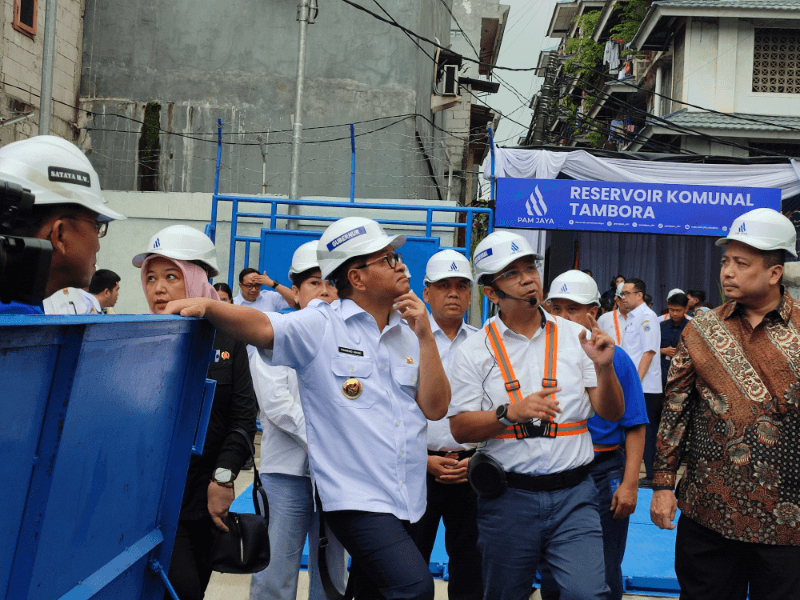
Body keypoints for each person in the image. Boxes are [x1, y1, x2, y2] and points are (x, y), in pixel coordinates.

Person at [164, 217, 451, 600]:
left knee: (370, 591)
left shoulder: (410, 331)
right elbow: (264, 327)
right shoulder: (323, 324)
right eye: (388, 259)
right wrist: (210, 306)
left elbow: (435, 407)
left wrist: (426, 336)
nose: (402, 266)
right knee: (414, 587)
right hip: (358, 497)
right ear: (357, 277)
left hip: (408, 495)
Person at [446, 231, 625, 600]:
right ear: (491, 292)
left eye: (530, 268)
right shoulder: (474, 350)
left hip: (575, 495)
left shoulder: (577, 337)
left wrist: (605, 368)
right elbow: (460, 429)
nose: (528, 278)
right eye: (512, 273)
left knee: (587, 594)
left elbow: (612, 413)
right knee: (505, 594)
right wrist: (509, 413)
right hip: (508, 499)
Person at [651, 208, 800, 600]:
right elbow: (675, 410)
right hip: (708, 514)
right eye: (725, 262)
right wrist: (663, 485)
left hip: (789, 523)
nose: (728, 272)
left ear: (774, 272)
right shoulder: (701, 329)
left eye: (741, 263)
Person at [133, 225, 258, 600]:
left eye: (171, 276)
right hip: (148, 500)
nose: (158, 288)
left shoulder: (229, 338)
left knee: (193, 588)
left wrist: (223, 479)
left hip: (204, 498)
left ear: (197, 278)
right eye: (151, 277)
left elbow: (242, 419)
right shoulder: (137, 338)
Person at [249, 240, 346, 600]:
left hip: (337, 477)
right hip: (285, 474)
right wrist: (327, 439)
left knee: (332, 575)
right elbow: (277, 405)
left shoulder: (351, 341)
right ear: (295, 291)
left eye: (331, 283)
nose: (324, 291)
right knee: (274, 574)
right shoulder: (274, 334)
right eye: (314, 282)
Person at [541, 270, 647, 600]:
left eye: (572, 309)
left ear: (593, 312)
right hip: (555, 473)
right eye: (556, 308)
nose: (562, 317)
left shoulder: (615, 359)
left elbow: (635, 424)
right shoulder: (541, 358)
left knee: (603, 564)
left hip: (602, 473)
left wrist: (629, 484)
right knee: (553, 568)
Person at [411, 250, 482, 600]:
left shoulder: (485, 344)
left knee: (471, 567)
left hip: (471, 470)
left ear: (470, 294)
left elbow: (494, 409)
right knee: (409, 567)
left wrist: (478, 459)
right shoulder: (405, 340)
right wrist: (422, 460)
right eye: (443, 286)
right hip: (417, 468)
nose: (453, 293)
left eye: (461, 286)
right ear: (426, 292)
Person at [0, 136, 125, 315]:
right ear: (59, 235)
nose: (98, 245)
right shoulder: (18, 318)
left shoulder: (17, 308)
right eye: (96, 225)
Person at [619, 278, 661, 488]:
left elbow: (648, 352)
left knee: (647, 432)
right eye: (622, 294)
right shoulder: (633, 317)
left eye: (627, 293)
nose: (623, 297)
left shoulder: (646, 317)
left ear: (639, 295)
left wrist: (635, 383)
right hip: (635, 384)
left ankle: (652, 475)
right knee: (632, 430)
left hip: (645, 386)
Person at [659, 293, 690, 392]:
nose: (675, 313)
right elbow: (650, 349)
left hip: (683, 376)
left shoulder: (691, 327)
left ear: (686, 309)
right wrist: (663, 351)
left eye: (678, 310)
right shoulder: (661, 326)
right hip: (662, 374)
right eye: (671, 310)